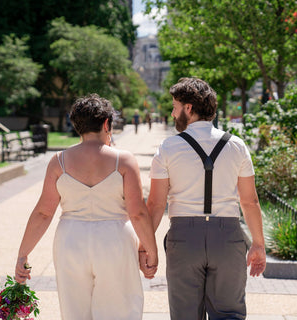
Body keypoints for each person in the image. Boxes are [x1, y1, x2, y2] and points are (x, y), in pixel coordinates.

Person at [15, 94, 158, 320]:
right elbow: (138, 213)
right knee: (120, 308)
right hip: (115, 240)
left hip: (70, 240)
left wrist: (23, 254)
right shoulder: (124, 160)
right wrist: (151, 250)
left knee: (75, 311)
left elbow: (43, 213)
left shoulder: (58, 161)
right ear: (105, 123)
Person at [146, 77, 266, 320]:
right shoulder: (237, 146)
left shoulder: (168, 148)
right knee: (229, 314)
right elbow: (249, 201)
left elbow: (156, 204)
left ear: (188, 108)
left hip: (184, 239)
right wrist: (258, 244)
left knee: (185, 315)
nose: (172, 113)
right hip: (228, 237)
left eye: (175, 106)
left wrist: (145, 246)